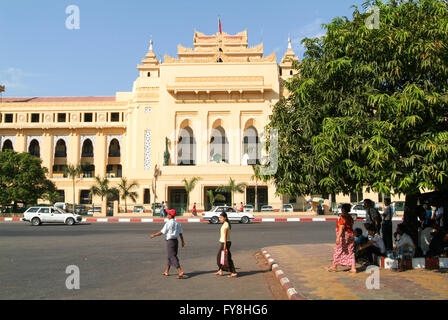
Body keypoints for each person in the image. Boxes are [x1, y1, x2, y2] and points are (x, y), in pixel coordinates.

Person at [150, 209, 187, 279]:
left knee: (172, 256)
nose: (167, 215)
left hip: (170, 242)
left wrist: (154, 235)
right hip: (176, 241)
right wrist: (183, 242)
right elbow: (180, 234)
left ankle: (180, 271)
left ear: (171, 215)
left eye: (168, 214)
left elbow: (162, 232)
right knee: (171, 256)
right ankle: (166, 271)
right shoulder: (178, 223)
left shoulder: (168, 223)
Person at [327, 203, 357, 273]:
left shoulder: (342, 218)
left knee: (338, 250)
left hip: (344, 236)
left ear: (343, 209)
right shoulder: (350, 217)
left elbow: (341, 227)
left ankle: (334, 266)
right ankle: (353, 268)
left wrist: (338, 237)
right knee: (350, 251)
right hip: (351, 234)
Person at [216, 212, 238, 278]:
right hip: (224, 242)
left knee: (226, 258)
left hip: (226, 243)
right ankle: (220, 270)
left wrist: (225, 246)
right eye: (220, 218)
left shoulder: (226, 224)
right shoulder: (225, 224)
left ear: (225, 218)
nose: (220, 219)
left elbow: (225, 236)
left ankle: (233, 272)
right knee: (221, 257)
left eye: (221, 218)